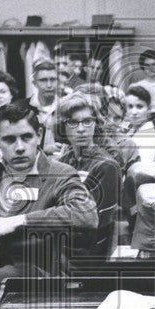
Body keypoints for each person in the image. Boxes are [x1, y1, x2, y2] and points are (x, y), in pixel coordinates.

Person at [0, 101, 98, 309]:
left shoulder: (61, 173)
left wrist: (20, 221)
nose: (20, 147)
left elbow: (86, 214)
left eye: (26, 137)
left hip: (38, 272)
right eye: (9, 139)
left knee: (1, 281)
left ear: (39, 135)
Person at [54, 92, 122, 255]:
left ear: (96, 124)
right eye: (72, 122)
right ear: (62, 127)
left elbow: (93, 223)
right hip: (58, 243)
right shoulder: (62, 162)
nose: (81, 129)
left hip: (86, 252)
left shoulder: (107, 165)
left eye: (87, 121)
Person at [123, 85, 155, 164]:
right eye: (130, 107)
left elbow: (143, 173)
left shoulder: (149, 139)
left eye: (139, 107)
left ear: (149, 109)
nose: (134, 112)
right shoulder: (132, 131)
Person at [29, 59, 62, 155]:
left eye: (53, 79)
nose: (49, 85)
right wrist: (44, 149)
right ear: (34, 83)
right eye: (43, 80)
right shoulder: (23, 108)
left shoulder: (66, 107)